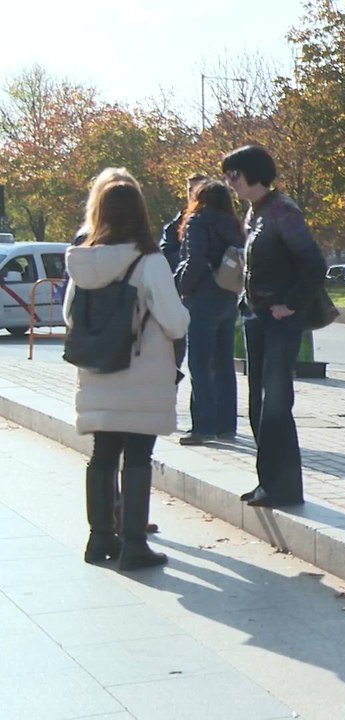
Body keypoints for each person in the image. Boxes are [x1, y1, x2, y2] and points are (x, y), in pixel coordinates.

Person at [65, 180, 190, 570]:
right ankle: (134, 544)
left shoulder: (82, 260)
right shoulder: (148, 261)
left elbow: (70, 315)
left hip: (98, 371)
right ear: (139, 213)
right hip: (141, 371)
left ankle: (99, 537)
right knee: (137, 454)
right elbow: (175, 321)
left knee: (102, 454)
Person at [222, 145, 325, 508]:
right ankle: (267, 482)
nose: (229, 182)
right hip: (256, 315)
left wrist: (291, 303)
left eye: (233, 175)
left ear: (253, 174)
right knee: (258, 403)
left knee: (276, 403)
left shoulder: (283, 212)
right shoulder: (255, 213)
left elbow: (313, 263)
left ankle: (283, 487)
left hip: (278, 319)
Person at [175, 180, 245, 445]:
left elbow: (195, 259)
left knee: (200, 363)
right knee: (224, 363)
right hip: (228, 295)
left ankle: (202, 426)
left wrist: (181, 287)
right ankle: (226, 425)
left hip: (202, 296)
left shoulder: (198, 221)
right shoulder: (233, 224)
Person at [159, 174, 209, 271]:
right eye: (190, 189)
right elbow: (166, 251)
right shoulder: (178, 221)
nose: (192, 193)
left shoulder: (216, 220)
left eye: (197, 190)